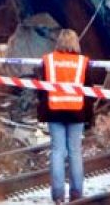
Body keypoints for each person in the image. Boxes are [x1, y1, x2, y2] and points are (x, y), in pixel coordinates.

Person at [38, 29, 93, 204]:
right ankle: (77, 193)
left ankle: (58, 196)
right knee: (75, 152)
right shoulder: (83, 62)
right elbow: (89, 90)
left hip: (54, 111)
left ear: (59, 42)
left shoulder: (48, 61)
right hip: (76, 112)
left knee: (57, 152)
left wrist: (42, 110)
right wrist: (89, 116)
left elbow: (41, 89)